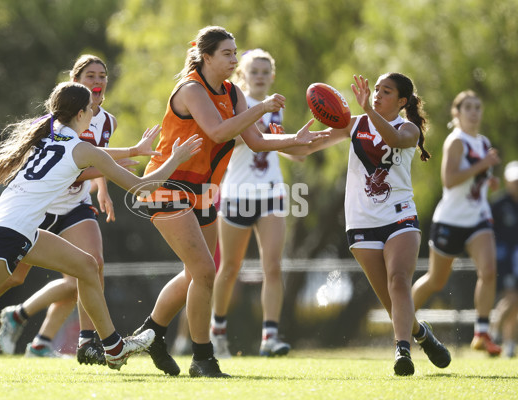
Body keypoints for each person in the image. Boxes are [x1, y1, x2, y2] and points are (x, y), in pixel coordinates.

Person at [0, 81, 202, 370]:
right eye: (91, 110)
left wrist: (134, 149)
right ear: (80, 113)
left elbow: (92, 158)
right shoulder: (80, 148)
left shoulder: (48, 134)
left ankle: (113, 347)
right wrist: (175, 159)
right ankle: (112, 346)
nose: (94, 115)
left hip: (17, 227)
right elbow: (141, 188)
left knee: (87, 266)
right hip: (10, 231)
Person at [131, 26, 319, 378]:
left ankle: (153, 334)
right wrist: (261, 106)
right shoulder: (191, 89)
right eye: (228, 54)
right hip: (169, 186)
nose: (235, 59)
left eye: (235, 53)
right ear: (207, 57)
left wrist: (297, 139)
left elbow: (257, 142)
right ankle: (203, 357)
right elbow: (218, 131)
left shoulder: (233, 93)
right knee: (206, 272)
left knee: (196, 274)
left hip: (205, 190)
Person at [0, 55, 156, 363]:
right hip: (41, 209)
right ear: (74, 83)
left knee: (91, 265)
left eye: (102, 75)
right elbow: (79, 162)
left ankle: (88, 344)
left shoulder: (107, 121)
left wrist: (103, 188)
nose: (98, 81)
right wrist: (109, 169)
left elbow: (96, 158)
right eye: (91, 76)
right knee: (13, 277)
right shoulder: (50, 123)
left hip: (75, 205)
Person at [288, 73, 451, 375]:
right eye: (375, 90)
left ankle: (402, 351)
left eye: (385, 92)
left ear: (402, 101)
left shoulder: (408, 128)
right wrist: (271, 140)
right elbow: (307, 148)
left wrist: (369, 110)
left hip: (399, 215)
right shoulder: (355, 124)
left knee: (398, 281)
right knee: (391, 300)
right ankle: (421, 334)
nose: (376, 95)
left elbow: (392, 139)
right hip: (361, 222)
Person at [211, 48, 292, 358]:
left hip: (272, 193)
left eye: (264, 71)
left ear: (272, 76)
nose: (259, 76)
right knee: (230, 268)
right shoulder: (235, 103)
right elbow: (236, 138)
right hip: (236, 194)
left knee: (273, 265)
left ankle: (270, 336)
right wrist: (267, 128)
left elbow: (278, 143)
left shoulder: (276, 107)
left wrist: (303, 142)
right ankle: (217, 331)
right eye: (253, 71)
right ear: (241, 75)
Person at [411, 90, 502, 356]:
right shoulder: (456, 141)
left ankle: (482, 333)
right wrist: (483, 166)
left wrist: (488, 180)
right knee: (436, 281)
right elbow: (449, 180)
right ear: (457, 113)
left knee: (488, 270)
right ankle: (403, 321)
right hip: (450, 220)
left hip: (477, 218)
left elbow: (475, 179)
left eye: (477, 107)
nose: (474, 112)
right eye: (469, 107)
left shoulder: (483, 142)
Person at [490, 161, 518, 357]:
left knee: (515, 302)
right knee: (511, 298)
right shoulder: (499, 204)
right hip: (506, 260)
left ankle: (508, 345)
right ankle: (493, 332)